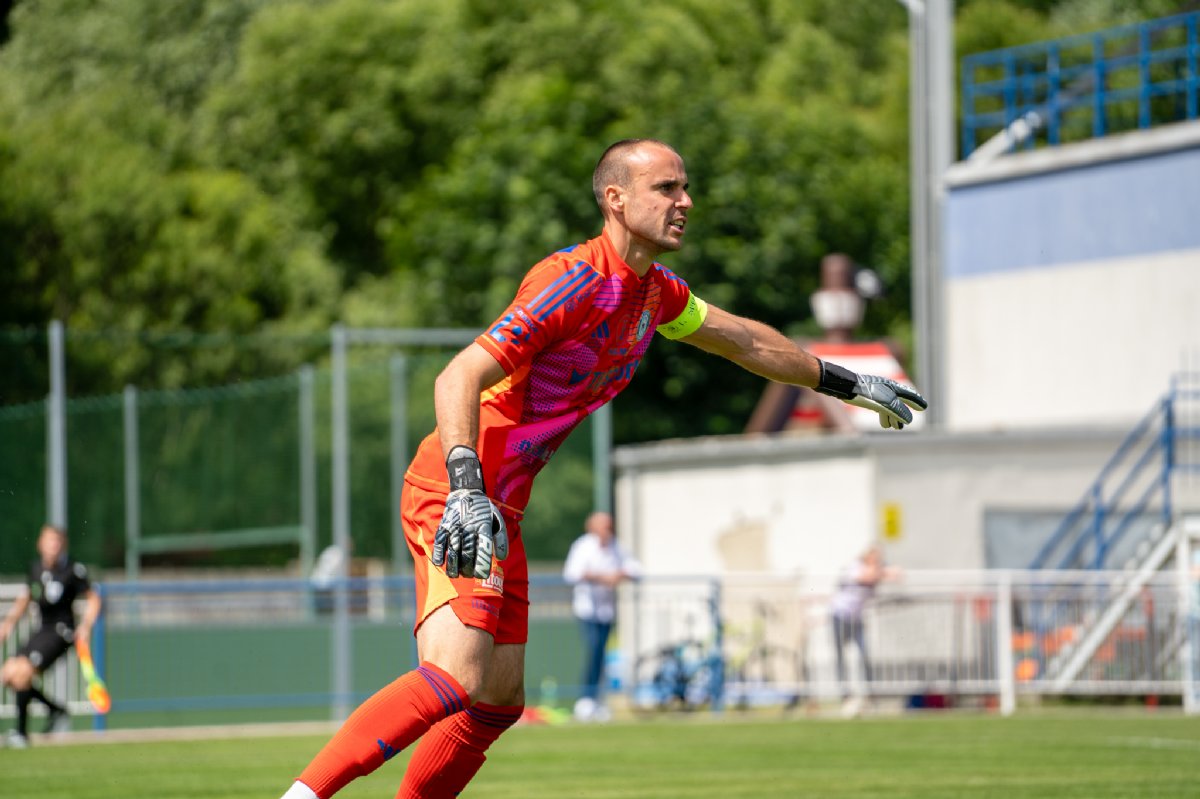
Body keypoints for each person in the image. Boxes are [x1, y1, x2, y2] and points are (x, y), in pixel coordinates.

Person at [277, 138, 927, 799]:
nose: (685, 202)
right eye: (666, 188)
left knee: (497, 700)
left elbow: (744, 341)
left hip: (502, 505)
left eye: (685, 187)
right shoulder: (572, 280)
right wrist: (466, 488)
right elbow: (459, 376)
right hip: (458, 488)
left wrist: (848, 382)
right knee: (456, 675)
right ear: (615, 199)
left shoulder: (658, 296)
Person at [0, 524, 101, 748]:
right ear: (40, 544)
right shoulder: (35, 568)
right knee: (7, 674)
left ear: (63, 545)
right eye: (48, 541)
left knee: (22, 673)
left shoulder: (73, 569)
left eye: (57, 541)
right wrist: (7, 624)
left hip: (61, 631)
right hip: (42, 629)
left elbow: (94, 599)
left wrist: (85, 626)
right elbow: (26, 597)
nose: (53, 546)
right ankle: (56, 710)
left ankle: (21, 734)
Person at [562, 510, 640, 722]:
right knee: (594, 651)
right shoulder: (582, 546)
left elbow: (635, 568)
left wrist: (620, 575)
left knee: (601, 654)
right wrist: (600, 578)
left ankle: (597, 699)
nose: (608, 529)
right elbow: (572, 573)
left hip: (607, 610)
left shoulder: (617, 546)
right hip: (587, 609)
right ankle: (586, 699)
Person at [828, 544, 901, 717]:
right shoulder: (855, 567)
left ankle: (869, 694)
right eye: (875, 557)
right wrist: (882, 573)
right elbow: (866, 577)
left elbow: (897, 573)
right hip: (840, 617)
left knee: (864, 655)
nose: (878, 560)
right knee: (841, 658)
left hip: (857, 619)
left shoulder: (876, 569)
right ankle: (845, 696)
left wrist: (883, 572)